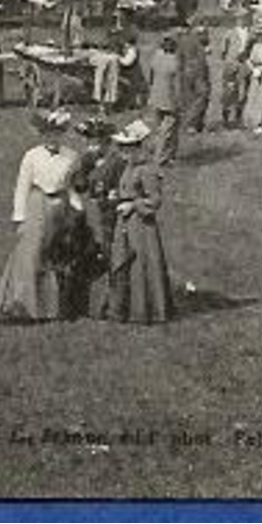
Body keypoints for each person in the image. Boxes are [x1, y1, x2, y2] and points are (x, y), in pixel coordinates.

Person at [0, 109, 79, 321]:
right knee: (31, 253)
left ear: (63, 134)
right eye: (48, 134)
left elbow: (71, 187)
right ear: (43, 135)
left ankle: (53, 307)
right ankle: (23, 304)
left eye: (57, 134)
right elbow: (22, 186)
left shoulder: (72, 156)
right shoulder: (32, 156)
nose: (53, 138)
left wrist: (77, 209)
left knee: (55, 253)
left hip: (60, 206)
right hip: (36, 204)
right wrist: (19, 216)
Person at [106, 120, 174, 324]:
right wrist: (117, 195)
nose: (123, 153)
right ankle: (122, 309)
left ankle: (144, 310)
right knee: (123, 263)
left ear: (137, 148)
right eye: (121, 148)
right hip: (125, 222)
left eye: (127, 148)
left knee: (141, 265)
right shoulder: (129, 166)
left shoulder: (147, 170)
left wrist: (133, 205)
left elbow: (155, 200)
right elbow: (128, 189)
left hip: (142, 226)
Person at [62, 117, 125, 320]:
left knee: (108, 257)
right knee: (84, 255)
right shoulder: (87, 159)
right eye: (89, 142)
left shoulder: (116, 162)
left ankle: (108, 306)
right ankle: (81, 305)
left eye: (97, 142)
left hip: (109, 215)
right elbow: (78, 184)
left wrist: (109, 196)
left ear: (108, 142)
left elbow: (120, 189)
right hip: (90, 214)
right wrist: (83, 172)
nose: (92, 146)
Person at [146, 34, 183, 165]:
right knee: (168, 130)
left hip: (155, 96)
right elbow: (178, 85)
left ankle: (160, 153)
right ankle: (161, 157)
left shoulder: (156, 57)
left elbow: (150, 77)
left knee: (157, 128)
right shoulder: (175, 62)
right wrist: (180, 102)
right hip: (170, 100)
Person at [218, 10, 254, 129]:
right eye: (240, 18)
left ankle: (239, 118)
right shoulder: (229, 33)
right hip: (231, 63)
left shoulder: (250, 32)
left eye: (244, 18)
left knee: (243, 91)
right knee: (229, 91)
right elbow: (222, 50)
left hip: (244, 64)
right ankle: (226, 119)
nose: (242, 20)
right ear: (236, 20)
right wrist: (228, 60)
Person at [178, 23, 211, 135]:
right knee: (202, 96)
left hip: (185, 72)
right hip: (198, 72)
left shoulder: (182, 40)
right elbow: (202, 58)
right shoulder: (198, 41)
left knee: (188, 98)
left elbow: (179, 59)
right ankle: (192, 124)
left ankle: (193, 124)